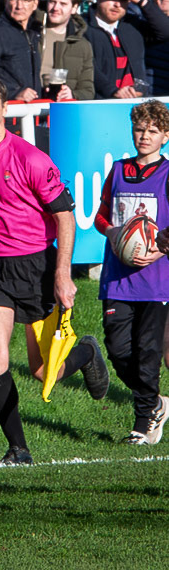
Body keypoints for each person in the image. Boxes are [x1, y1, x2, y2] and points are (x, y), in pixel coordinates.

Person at [0, 74, 109, 465]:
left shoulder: (31, 158)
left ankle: (86, 352)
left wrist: (61, 274)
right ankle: (18, 448)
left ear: (5, 109)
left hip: (36, 264)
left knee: (43, 371)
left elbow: (65, 217)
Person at [94, 100, 169, 445]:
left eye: (153, 131)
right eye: (140, 129)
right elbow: (101, 216)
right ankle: (155, 402)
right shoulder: (119, 170)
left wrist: (159, 250)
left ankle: (142, 424)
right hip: (118, 279)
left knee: (148, 352)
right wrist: (112, 233)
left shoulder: (167, 174)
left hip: (156, 282)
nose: (144, 136)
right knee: (118, 349)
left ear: (165, 136)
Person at [85, 0, 169, 99]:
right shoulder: (82, 26)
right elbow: (87, 68)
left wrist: (142, 0)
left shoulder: (132, 25)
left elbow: (165, 32)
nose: (117, 4)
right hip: (100, 104)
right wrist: (113, 91)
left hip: (137, 103)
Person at [38, 0, 94, 100]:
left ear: (74, 8)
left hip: (61, 111)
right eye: (52, 2)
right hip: (27, 109)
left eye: (63, 4)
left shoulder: (83, 46)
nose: (56, 8)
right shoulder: (32, 32)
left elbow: (88, 90)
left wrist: (72, 94)